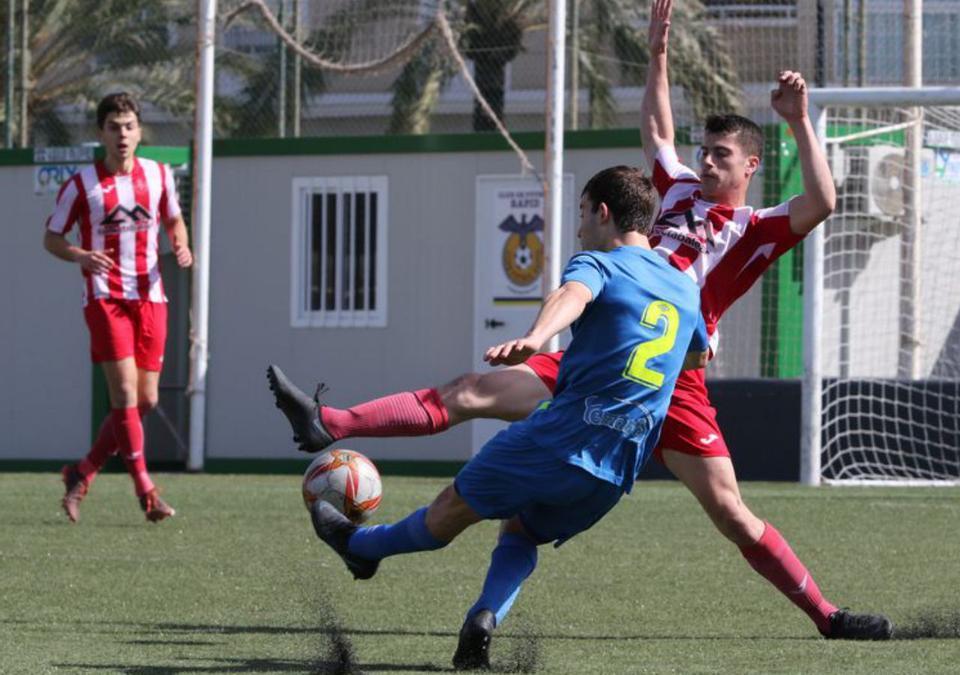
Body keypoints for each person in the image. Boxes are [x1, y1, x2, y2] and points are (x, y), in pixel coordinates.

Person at [269, 0, 892, 643]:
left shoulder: (754, 228)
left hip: (672, 377)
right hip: (601, 351)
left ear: (750, 168)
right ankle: (327, 424)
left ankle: (828, 616)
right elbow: (656, 131)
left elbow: (822, 201)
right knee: (470, 390)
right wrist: (654, 55)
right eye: (704, 151)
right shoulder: (672, 190)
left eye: (722, 155)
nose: (705, 162)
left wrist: (798, 121)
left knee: (732, 514)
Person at [290, 165, 710, 669]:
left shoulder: (598, 264)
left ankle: (361, 546)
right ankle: (483, 617)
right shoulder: (685, 288)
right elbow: (696, 358)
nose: (579, 228)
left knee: (449, 512)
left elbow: (572, 296)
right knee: (520, 532)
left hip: (560, 438)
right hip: (616, 467)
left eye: (581, 213)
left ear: (603, 212)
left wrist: (536, 339)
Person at [45, 92, 192, 523]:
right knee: (125, 394)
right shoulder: (81, 185)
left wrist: (180, 245)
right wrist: (80, 255)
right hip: (105, 297)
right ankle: (147, 492)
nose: (122, 134)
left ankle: (81, 471)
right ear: (100, 133)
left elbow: (173, 220)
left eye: (129, 126)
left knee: (143, 399)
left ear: (140, 131)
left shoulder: (159, 175)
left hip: (150, 297)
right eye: (114, 127)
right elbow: (51, 238)